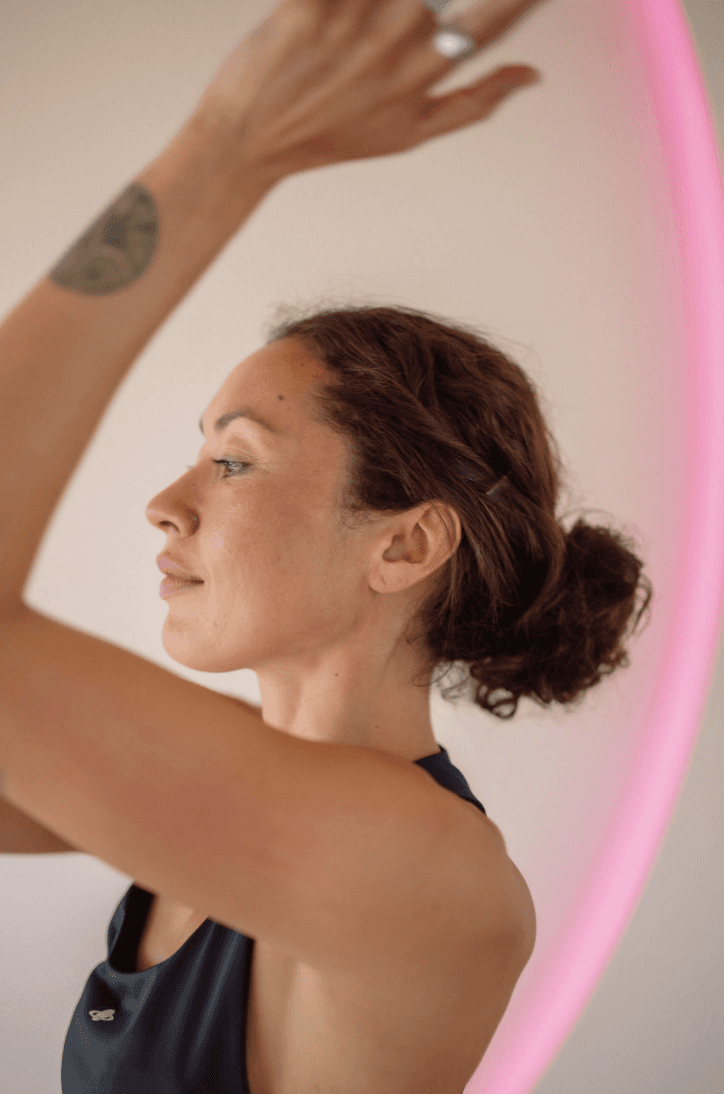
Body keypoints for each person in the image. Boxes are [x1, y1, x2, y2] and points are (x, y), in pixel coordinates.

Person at [0, 0, 652, 1091]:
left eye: (235, 460)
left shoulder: (430, 875)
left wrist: (227, 151)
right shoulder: (216, 805)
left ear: (403, 545)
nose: (166, 501)